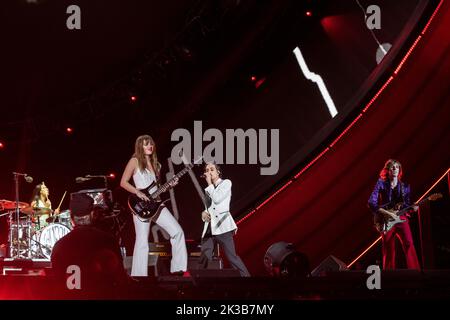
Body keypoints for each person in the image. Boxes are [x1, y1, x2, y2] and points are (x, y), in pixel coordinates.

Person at [120, 134, 188, 276]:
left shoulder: (157, 164)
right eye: (146, 144)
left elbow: (156, 190)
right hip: (141, 206)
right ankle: (139, 277)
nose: (150, 146)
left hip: (156, 205)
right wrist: (137, 193)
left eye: (151, 143)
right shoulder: (135, 161)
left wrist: (169, 186)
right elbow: (123, 182)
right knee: (142, 241)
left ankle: (178, 270)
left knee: (177, 232)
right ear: (140, 146)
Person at [51, 193, 128, 292]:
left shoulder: (59, 246)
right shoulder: (108, 241)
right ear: (92, 214)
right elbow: (120, 279)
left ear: (71, 218)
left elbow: (58, 285)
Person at [198, 162, 250, 277]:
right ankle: (196, 282)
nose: (209, 172)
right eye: (207, 170)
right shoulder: (208, 189)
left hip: (223, 226)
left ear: (218, 172)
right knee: (204, 257)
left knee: (232, 257)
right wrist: (204, 213)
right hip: (210, 227)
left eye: (212, 169)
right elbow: (209, 208)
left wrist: (209, 183)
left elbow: (217, 199)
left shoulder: (226, 183)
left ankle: (247, 279)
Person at [368, 159, 421, 270]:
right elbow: (371, 202)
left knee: (409, 243)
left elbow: (406, 205)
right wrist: (386, 212)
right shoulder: (381, 184)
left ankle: (415, 272)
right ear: (388, 170)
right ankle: (388, 275)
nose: (395, 169)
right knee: (388, 247)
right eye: (392, 167)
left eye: (397, 167)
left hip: (401, 218)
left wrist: (412, 208)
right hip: (386, 220)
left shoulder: (405, 187)